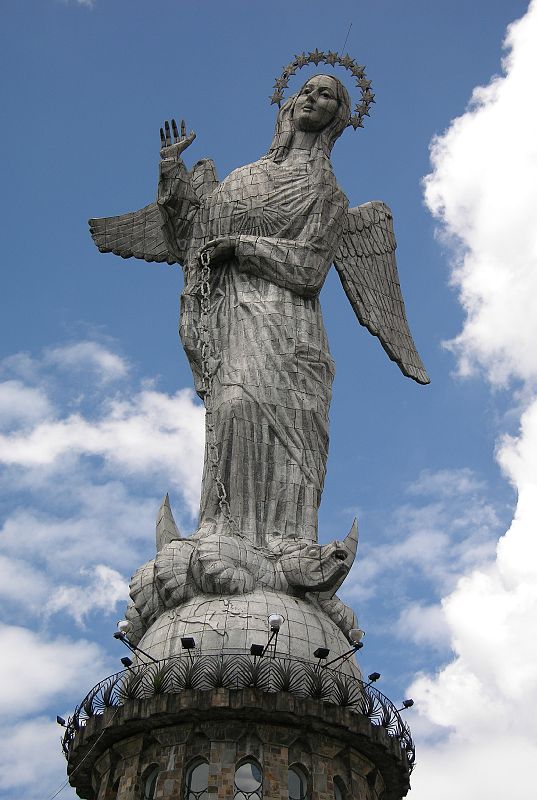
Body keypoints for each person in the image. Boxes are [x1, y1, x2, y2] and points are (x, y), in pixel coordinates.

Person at [156, 75, 351, 548]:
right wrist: (172, 175)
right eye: (307, 89)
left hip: (288, 321)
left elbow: (309, 268)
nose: (313, 97)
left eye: (327, 94)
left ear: (338, 115)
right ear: (290, 103)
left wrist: (242, 247)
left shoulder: (328, 194)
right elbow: (195, 234)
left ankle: (287, 540)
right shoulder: (245, 177)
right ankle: (221, 529)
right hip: (235, 316)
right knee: (232, 408)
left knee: (283, 423)